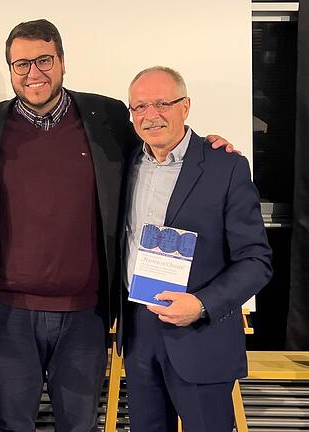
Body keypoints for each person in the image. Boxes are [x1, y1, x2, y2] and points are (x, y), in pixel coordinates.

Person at [0, 19, 235, 432]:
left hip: (86, 314)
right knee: (10, 422)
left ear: (62, 62)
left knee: (79, 424)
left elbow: (161, 144)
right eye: (20, 64)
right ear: (10, 70)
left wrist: (205, 146)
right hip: (9, 315)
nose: (33, 72)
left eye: (43, 60)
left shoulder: (108, 117)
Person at [121, 66, 272, 431]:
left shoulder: (226, 167)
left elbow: (256, 261)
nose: (150, 115)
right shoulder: (126, 163)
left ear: (185, 106)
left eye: (162, 103)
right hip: (140, 334)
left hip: (201, 336)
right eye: (139, 106)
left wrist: (201, 305)